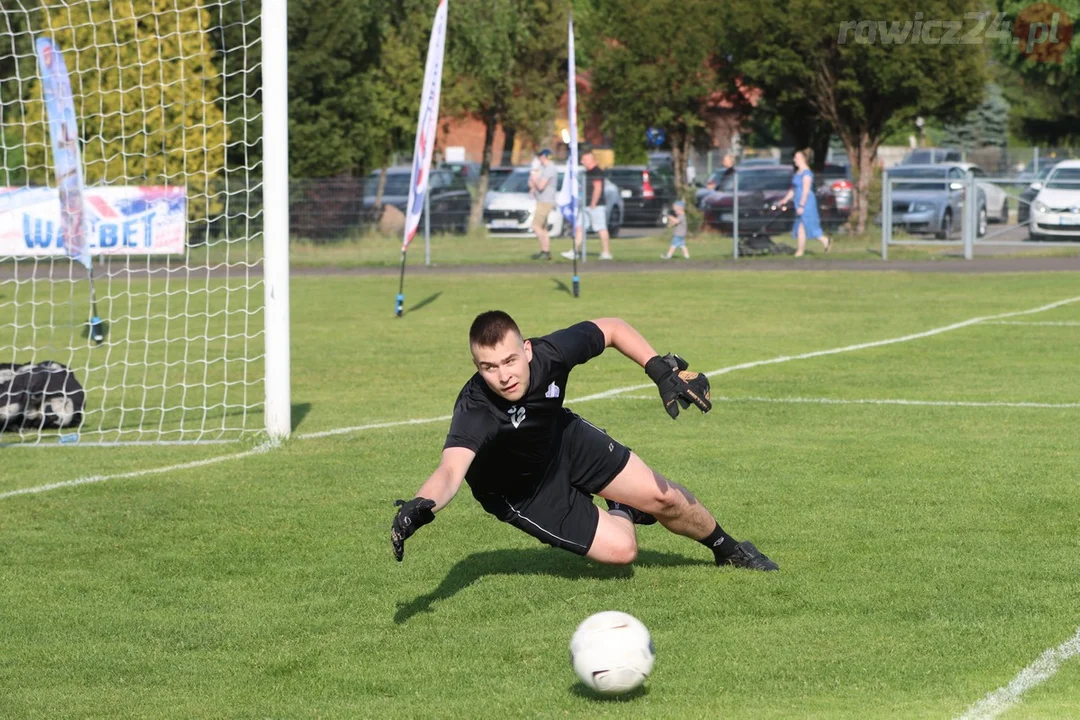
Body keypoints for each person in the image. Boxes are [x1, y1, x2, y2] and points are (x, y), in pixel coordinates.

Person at [390, 311, 779, 572]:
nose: (503, 375)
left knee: (664, 497)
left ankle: (729, 550)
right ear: (478, 367)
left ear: (526, 351)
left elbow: (610, 328)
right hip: (526, 492)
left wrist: (658, 369)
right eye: (489, 367)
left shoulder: (550, 354)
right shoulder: (475, 408)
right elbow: (450, 469)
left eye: (509, 361)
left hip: (564, 440)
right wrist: (422, 504)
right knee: (623, 552)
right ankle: (620, 506)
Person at [562, 146, 614, 261]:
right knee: (579, 227)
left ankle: (606, 252)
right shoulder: (587, 173)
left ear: (591, 159)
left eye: (584, 159)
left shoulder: (596, 172)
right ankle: (574, 251)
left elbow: (598, 188)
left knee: (601, 228)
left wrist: (593, 204)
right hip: (586, 205)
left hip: (596, 206)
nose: (582, 162)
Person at [777, 148, 831, 257]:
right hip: (798, 201)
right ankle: (804, 249)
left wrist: (802, 205)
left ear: (803, 159)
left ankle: (820, 242)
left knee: (808, 225)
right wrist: (785, 199)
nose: (794, 160)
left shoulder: (807, 174)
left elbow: (806, 191)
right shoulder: (798, 173)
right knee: (800, 227)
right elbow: (794, 189)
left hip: (806, 203)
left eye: (796, 158)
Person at [528, 149, 558, 260]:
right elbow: (531, 183)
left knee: (535, 226)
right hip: (540, 200)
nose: (539, 158)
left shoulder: (550, 168)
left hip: (546, 201)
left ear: (545, 156)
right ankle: (545, 251)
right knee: (543, 228)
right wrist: (533, 176)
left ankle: (545, 250)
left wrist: (534, 179)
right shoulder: (542, 168)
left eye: (540, 156)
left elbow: (540, 186)